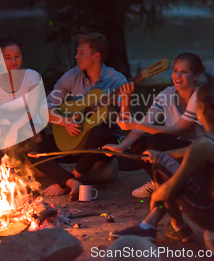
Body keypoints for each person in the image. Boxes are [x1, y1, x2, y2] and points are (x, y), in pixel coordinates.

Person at [110, 81, 214, 241]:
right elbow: (205, 150)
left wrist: (157, 196)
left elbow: (173, 187)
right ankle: (154, 225)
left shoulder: (204, 145)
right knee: (164, 158)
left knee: (161, 166)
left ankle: (173, 225)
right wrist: (170, 153)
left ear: (201, 109)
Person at [28, 33, 134, 201]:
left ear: (96, 56)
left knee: (99, 132)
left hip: (98, 146)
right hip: (74, 139)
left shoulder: (117, 80)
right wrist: (65, 122)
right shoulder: (71, 76)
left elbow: (126, 123)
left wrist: (126, 100)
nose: (76, 56)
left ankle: (67, 181)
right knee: (32, 149)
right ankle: (71, 182)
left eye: (81, 52)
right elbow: (45, 107)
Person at [103, 53, 205, 198]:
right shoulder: (166, 94)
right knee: (139, 144)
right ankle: (159, 183)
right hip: (175, 148)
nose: (177, 75)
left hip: (199, 152)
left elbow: (177, 130)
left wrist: (136, 123)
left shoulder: (199, 96)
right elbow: (142, 125)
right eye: (175, 70)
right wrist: (121, 146)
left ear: (196, 76)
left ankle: (180, 186)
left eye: (184, 72)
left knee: (156, 141)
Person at [0, 37, 44, 160]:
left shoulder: (32, 76)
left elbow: (32, 111)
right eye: (8, 58)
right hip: (4, 126)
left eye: (17, 56)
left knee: (27, 134)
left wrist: (15, 127)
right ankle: (8, 167)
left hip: (30, 125)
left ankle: (17, 163)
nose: (14, 61)